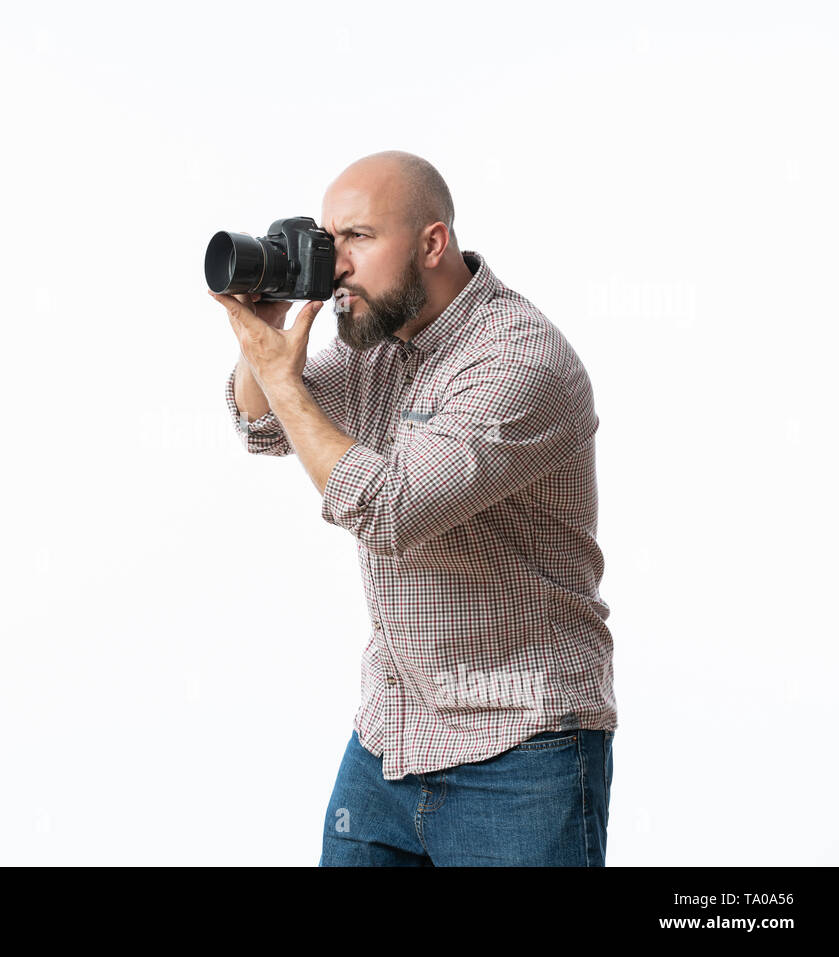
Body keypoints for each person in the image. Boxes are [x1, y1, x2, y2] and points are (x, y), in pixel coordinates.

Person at [210, 151, 616, 866]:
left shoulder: (519, 358)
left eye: (358, 238)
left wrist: (284, 377)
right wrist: (261, 334)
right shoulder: (380, 343)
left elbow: (390, 509)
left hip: (522, 749)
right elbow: (265, 424)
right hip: (391, 737)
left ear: (432, 244)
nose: (334, 263)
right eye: (327, 240)